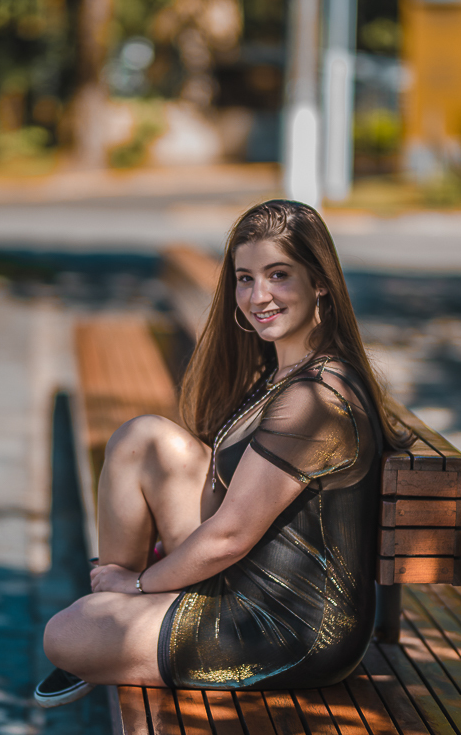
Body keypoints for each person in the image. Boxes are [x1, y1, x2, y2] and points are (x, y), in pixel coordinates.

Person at [35, 199, 406, 708]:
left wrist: (142, 586)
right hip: (246, 584)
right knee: (142, 438)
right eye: (245, 278)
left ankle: (112, 617)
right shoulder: (284, 373)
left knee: (63, 634)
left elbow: (230, 535)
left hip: (284, 630)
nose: (259, 296)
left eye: (279, 275)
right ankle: (111, 606)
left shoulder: (314, 401)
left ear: (320, 281)